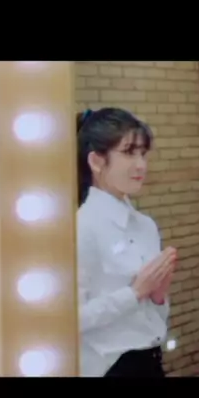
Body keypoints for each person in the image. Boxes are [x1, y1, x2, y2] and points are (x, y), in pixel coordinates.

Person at [76, 107, 177, 377]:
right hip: (110, 368)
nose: (141, 165)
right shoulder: (82, 227)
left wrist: (157, 297)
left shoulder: (146, 226)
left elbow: (153, 319)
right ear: (97, 161)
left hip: (151, 359)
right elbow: (71, 319)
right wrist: (134, 294)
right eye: (129, 153)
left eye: (143, 153)